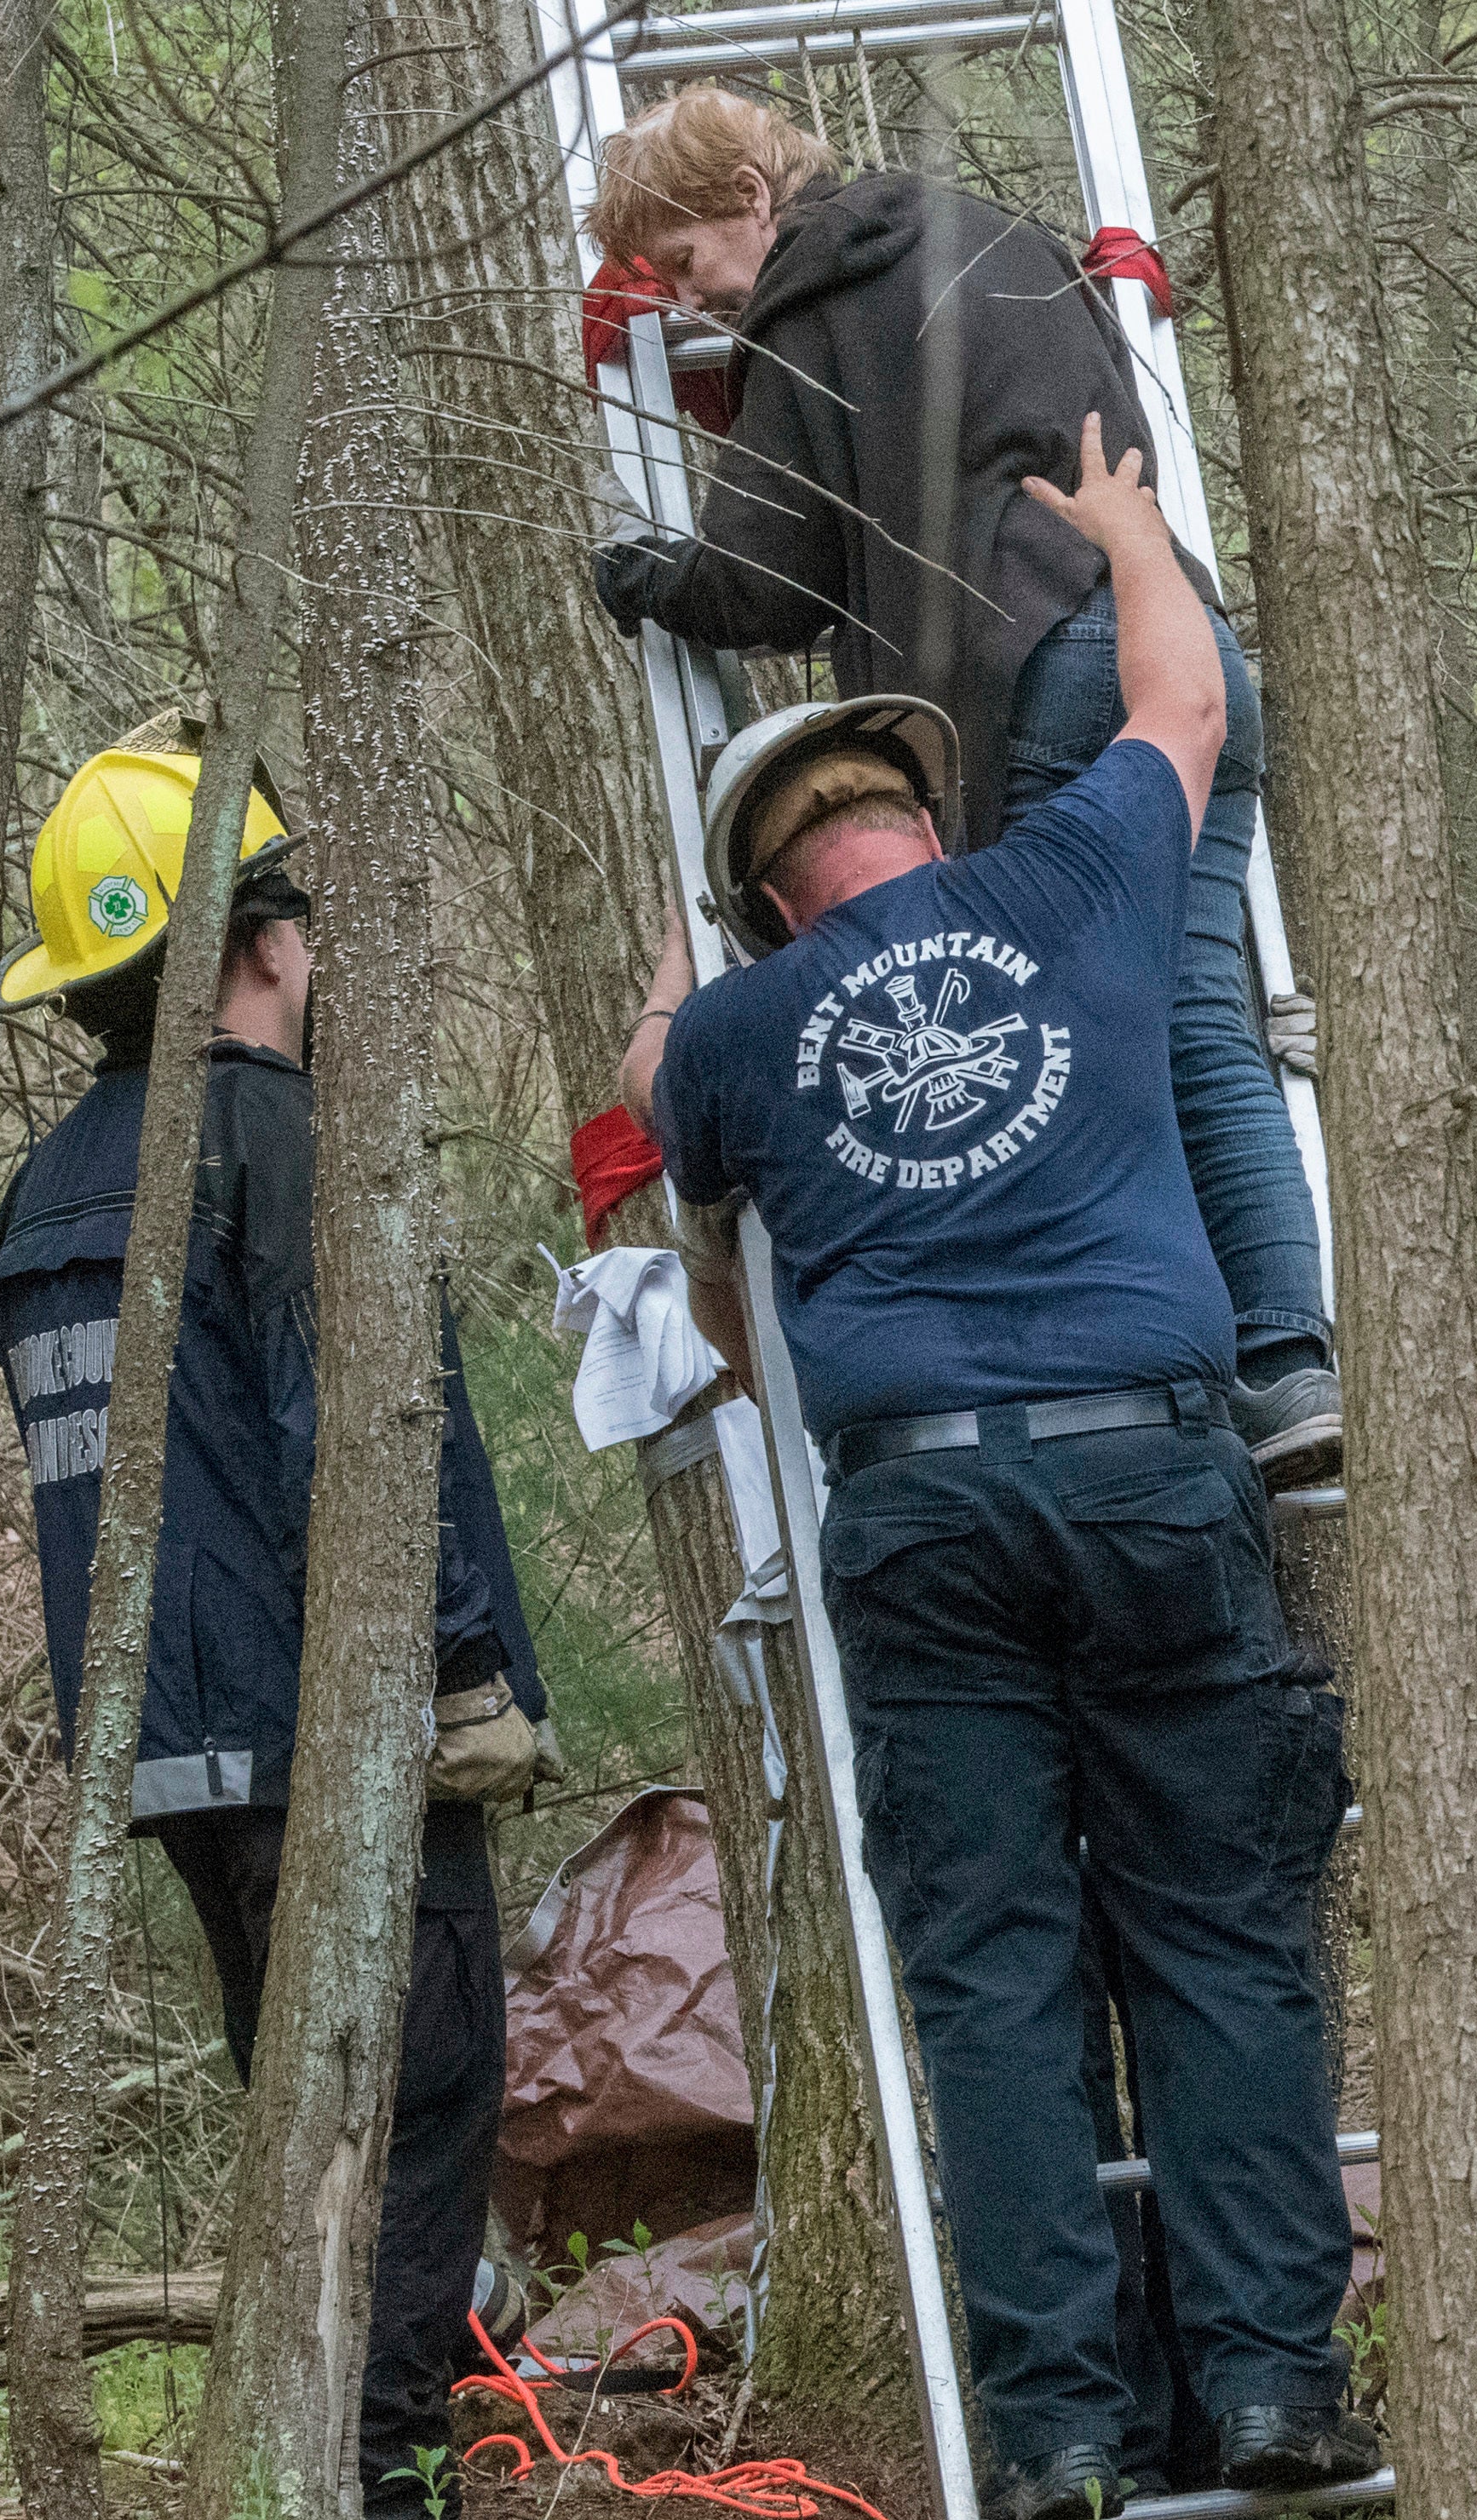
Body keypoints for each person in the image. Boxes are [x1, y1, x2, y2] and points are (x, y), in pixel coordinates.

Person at [636, 418, 1369, 2520]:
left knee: (994, 1966)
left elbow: (690, 1248)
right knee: (1223, 1938)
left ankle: (1053, 2425)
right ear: (926, 819)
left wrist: (700, 972)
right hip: (1150, 1469)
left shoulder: (741, 1032)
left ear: (771, 889)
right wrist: (1133, 531)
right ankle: (1267, 2390)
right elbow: (1185, 702)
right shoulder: (1076, 879)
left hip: (923, 1509)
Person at [0, 737, 551, 2520]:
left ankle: (329, 2499)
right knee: (421, 2101)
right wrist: (459, 1667)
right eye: (295, 921)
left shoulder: (47, 1190)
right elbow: (354, 1434)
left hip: (161, 1743)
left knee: (307, 2112)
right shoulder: (275, 1142)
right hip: (325, 1732)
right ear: (262, 944)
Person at [584, 85, 1337, 1484]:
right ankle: (1290, 1360)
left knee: (1094, 1034)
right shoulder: (1005, 238)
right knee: (1196, 1009)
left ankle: (1173, 1363)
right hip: (1179, 643)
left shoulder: (810, 301)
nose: (699, 299)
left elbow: (760, 571)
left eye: (687, 263)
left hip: (1037, 670)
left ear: (749, 196)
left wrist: (652, 579)